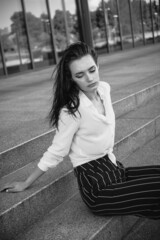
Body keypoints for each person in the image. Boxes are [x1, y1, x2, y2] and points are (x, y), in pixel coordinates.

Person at [1, 42, 160, 219]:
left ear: (98, 66)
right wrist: (26, 182)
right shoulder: (71, 111)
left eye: (92, 70)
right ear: (72, 79)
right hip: (97, 188)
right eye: (80, 75)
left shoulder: (104, 89)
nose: (90, 79)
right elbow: (57, 151)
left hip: (114, 169)